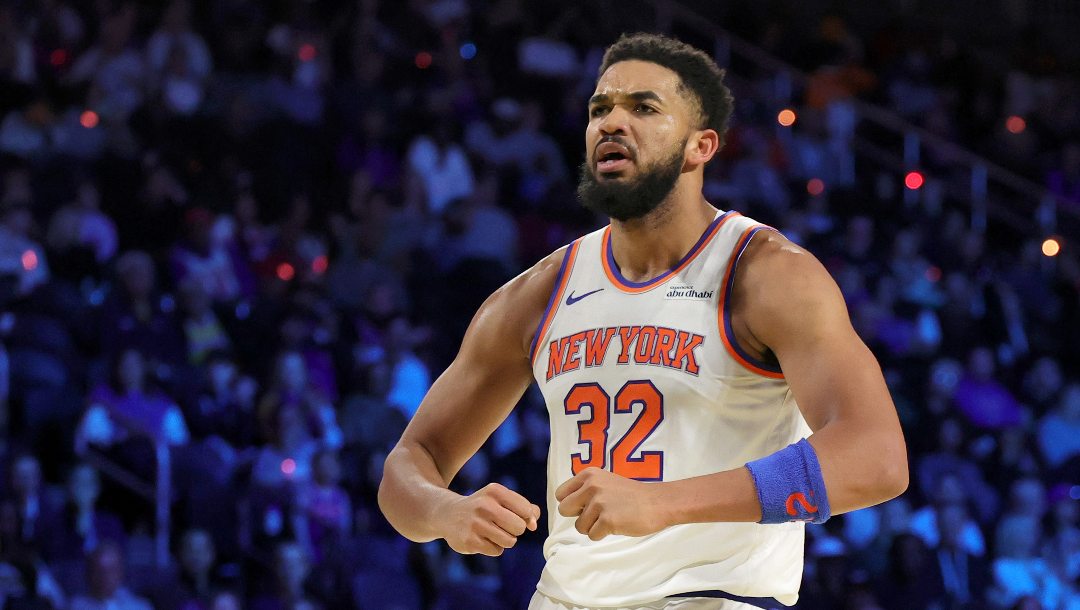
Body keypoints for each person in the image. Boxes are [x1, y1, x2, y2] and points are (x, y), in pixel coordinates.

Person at [379, 32, 908, 609]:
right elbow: (410, 462)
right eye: (599, 109)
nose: (612, 123)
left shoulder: (765, 274)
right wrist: (443, 510)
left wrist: (664, 501)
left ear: (699, 146)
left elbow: (876, 458)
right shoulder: (539, 293)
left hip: (711, 598)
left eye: (643, 108)